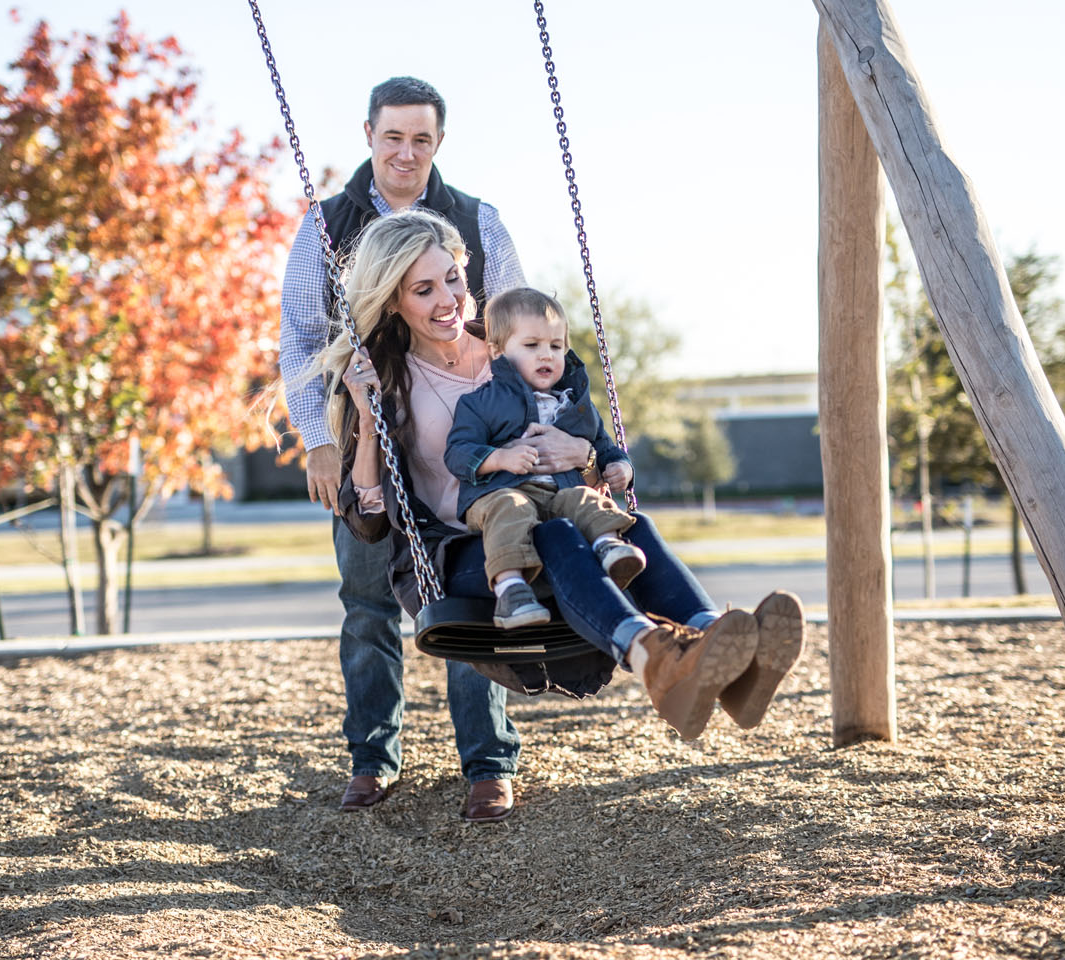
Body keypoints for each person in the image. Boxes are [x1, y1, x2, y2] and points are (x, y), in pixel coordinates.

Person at [298, 209, 805, 803]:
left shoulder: (513, 350)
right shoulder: (386, 378)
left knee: (624, 523)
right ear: (392, 300)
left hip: (550, 512)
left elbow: (579, 444)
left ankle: (724, 653)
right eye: (424, 288)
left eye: (454, 279)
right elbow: (370, 521)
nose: (448, 300)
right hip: (464, 550)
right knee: (558, 536)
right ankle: (660, 666)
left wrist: (589, 454)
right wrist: (362, 409)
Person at [278, 77, 542, 822]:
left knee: (475, 595)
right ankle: (372, 758)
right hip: (364, 437)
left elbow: (516, 323)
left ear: (439, 143)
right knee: (366, 604)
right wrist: (321, 441)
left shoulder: (477, 220)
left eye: (421, 139)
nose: (406, 151)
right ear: (368, 134)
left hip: (459, 443)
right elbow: (298, 341)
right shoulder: (326, 224)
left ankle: (488, 765)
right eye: (392, 136)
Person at [444, 288, 646, 630]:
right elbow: (457, 452)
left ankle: (610, 547)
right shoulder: (481, 402)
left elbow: (604, 444)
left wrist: (621, 466)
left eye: (556, 346)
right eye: (532, 345)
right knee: (511, 507)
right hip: (496, 496)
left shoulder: (575, 404)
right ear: (497, 351)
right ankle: (511, 592)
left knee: (583, 498)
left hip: (558, 497)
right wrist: (500, 458)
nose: (546, 355)